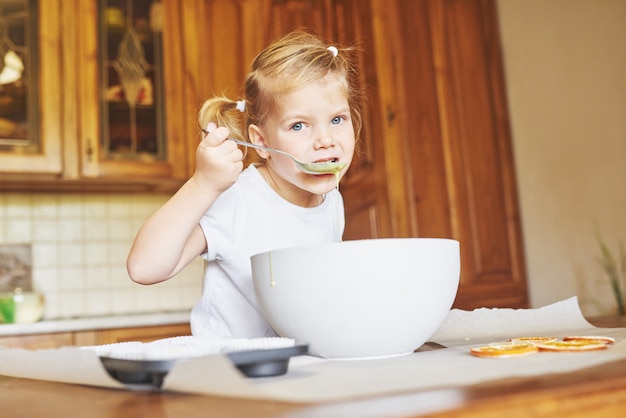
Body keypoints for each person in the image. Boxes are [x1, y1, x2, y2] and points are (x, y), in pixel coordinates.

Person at [126, 30, 364, 338]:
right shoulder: (238, 200)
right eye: (298, 125)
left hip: (292, 371)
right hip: (228, 370)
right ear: (262, 142)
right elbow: (144, 268)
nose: (325, 140)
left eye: (336, 119)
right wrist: (202, 184)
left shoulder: (331, 200)